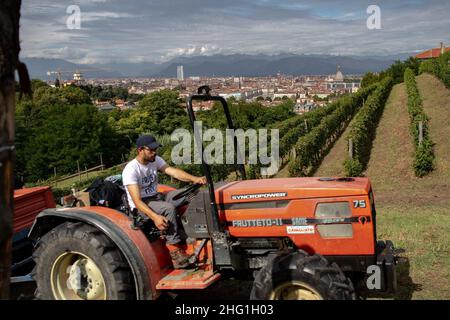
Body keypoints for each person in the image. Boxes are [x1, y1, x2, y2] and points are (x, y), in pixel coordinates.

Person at [122, 135, 206, 269]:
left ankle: (193, 230)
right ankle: (175, 252)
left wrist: (194, 179)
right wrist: (155, 217)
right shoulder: (131, 170)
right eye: (151, 150)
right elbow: (137, 202)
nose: (154, 152)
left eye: (156, 149)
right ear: (140, 150)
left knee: (192, 193)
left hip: (157, 197)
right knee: (168, 208)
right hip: (143, 206)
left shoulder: (155, 160)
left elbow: (173, 172)